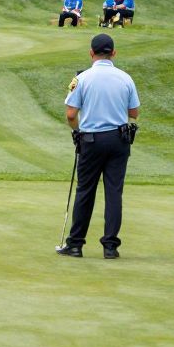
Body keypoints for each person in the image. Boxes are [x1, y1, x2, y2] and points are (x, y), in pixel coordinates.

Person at [57, 33, 139, 258]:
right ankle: (110, 247)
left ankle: (75, 245)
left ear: (91, 53)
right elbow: (134, 113)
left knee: (85, 190)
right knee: (114, 192)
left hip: (91, 140)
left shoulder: (82, 78)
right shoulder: (125, 78)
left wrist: (76, 132)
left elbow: (71, 114)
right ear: (113, 53)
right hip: (119, 140)